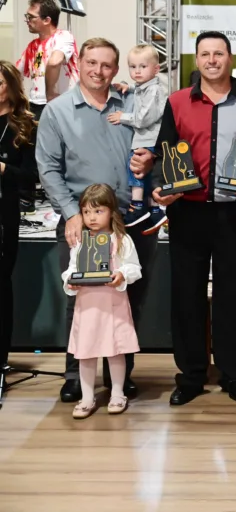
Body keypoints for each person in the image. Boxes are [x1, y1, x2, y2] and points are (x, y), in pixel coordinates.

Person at [151, 30, 236, 406]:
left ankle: (233, 374)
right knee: (186, 295)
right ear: (197, 60)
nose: (212, 60)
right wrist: (160, 187)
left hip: (233, 213)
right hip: (186, 212)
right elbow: (163, 153)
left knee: (233, 294)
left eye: (219, 54)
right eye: (205, 54)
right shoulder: (176, 102)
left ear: (230, 58)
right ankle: (190, 376)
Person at [36, 37, 157, 404]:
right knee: (80, 301)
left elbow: (158, 138)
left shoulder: (133, 102)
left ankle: (120, 376)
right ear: (80, 64)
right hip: (82, 222)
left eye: (106, 65)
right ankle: (76, 376)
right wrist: (71, 213)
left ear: (116, 70)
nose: (98, 71)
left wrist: (150, 160)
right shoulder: (57, 112)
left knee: (127, 297)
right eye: (91, 63)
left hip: (130, 221)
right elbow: (48, 169)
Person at [60, 184, 142, 419]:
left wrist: (122, 274)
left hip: (113, 304)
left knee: (115, 350)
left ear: (111, 212)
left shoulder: (121, 240)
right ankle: (87, 397)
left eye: (98, 211)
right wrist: (71, 282)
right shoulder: (80, 243)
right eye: (86, 212)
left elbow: (134, 267)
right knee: (85, 351)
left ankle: (117, 393)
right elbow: (71, 270)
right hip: (87, 306)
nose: (92, 217)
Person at [106, 44, 168, 234]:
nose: (137, 71)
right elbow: (141, 89)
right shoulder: (145, 87)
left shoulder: (155, 90)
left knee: (135, 168)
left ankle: (138, 206)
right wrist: (129, 87)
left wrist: (122, 116)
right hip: (146, 138)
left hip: (148, 138)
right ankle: (155, 211)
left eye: (143, 66)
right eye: (133, 67)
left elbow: (143, 118)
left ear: (156, 69)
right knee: (146, 175)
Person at [0, 61, 36, 372]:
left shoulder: (24, 125)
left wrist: (2, 170)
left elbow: (30, 177)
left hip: (4, 216)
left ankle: (1, 358)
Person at [17, 0, 78, 117]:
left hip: (60, 103)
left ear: (47, 20)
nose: (27, 20)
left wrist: (50, 94)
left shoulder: (63, 36)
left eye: (31, 17)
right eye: (26, 16)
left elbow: (54, 62)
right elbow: (15, 72)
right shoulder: (33, 46)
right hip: (35, 104)